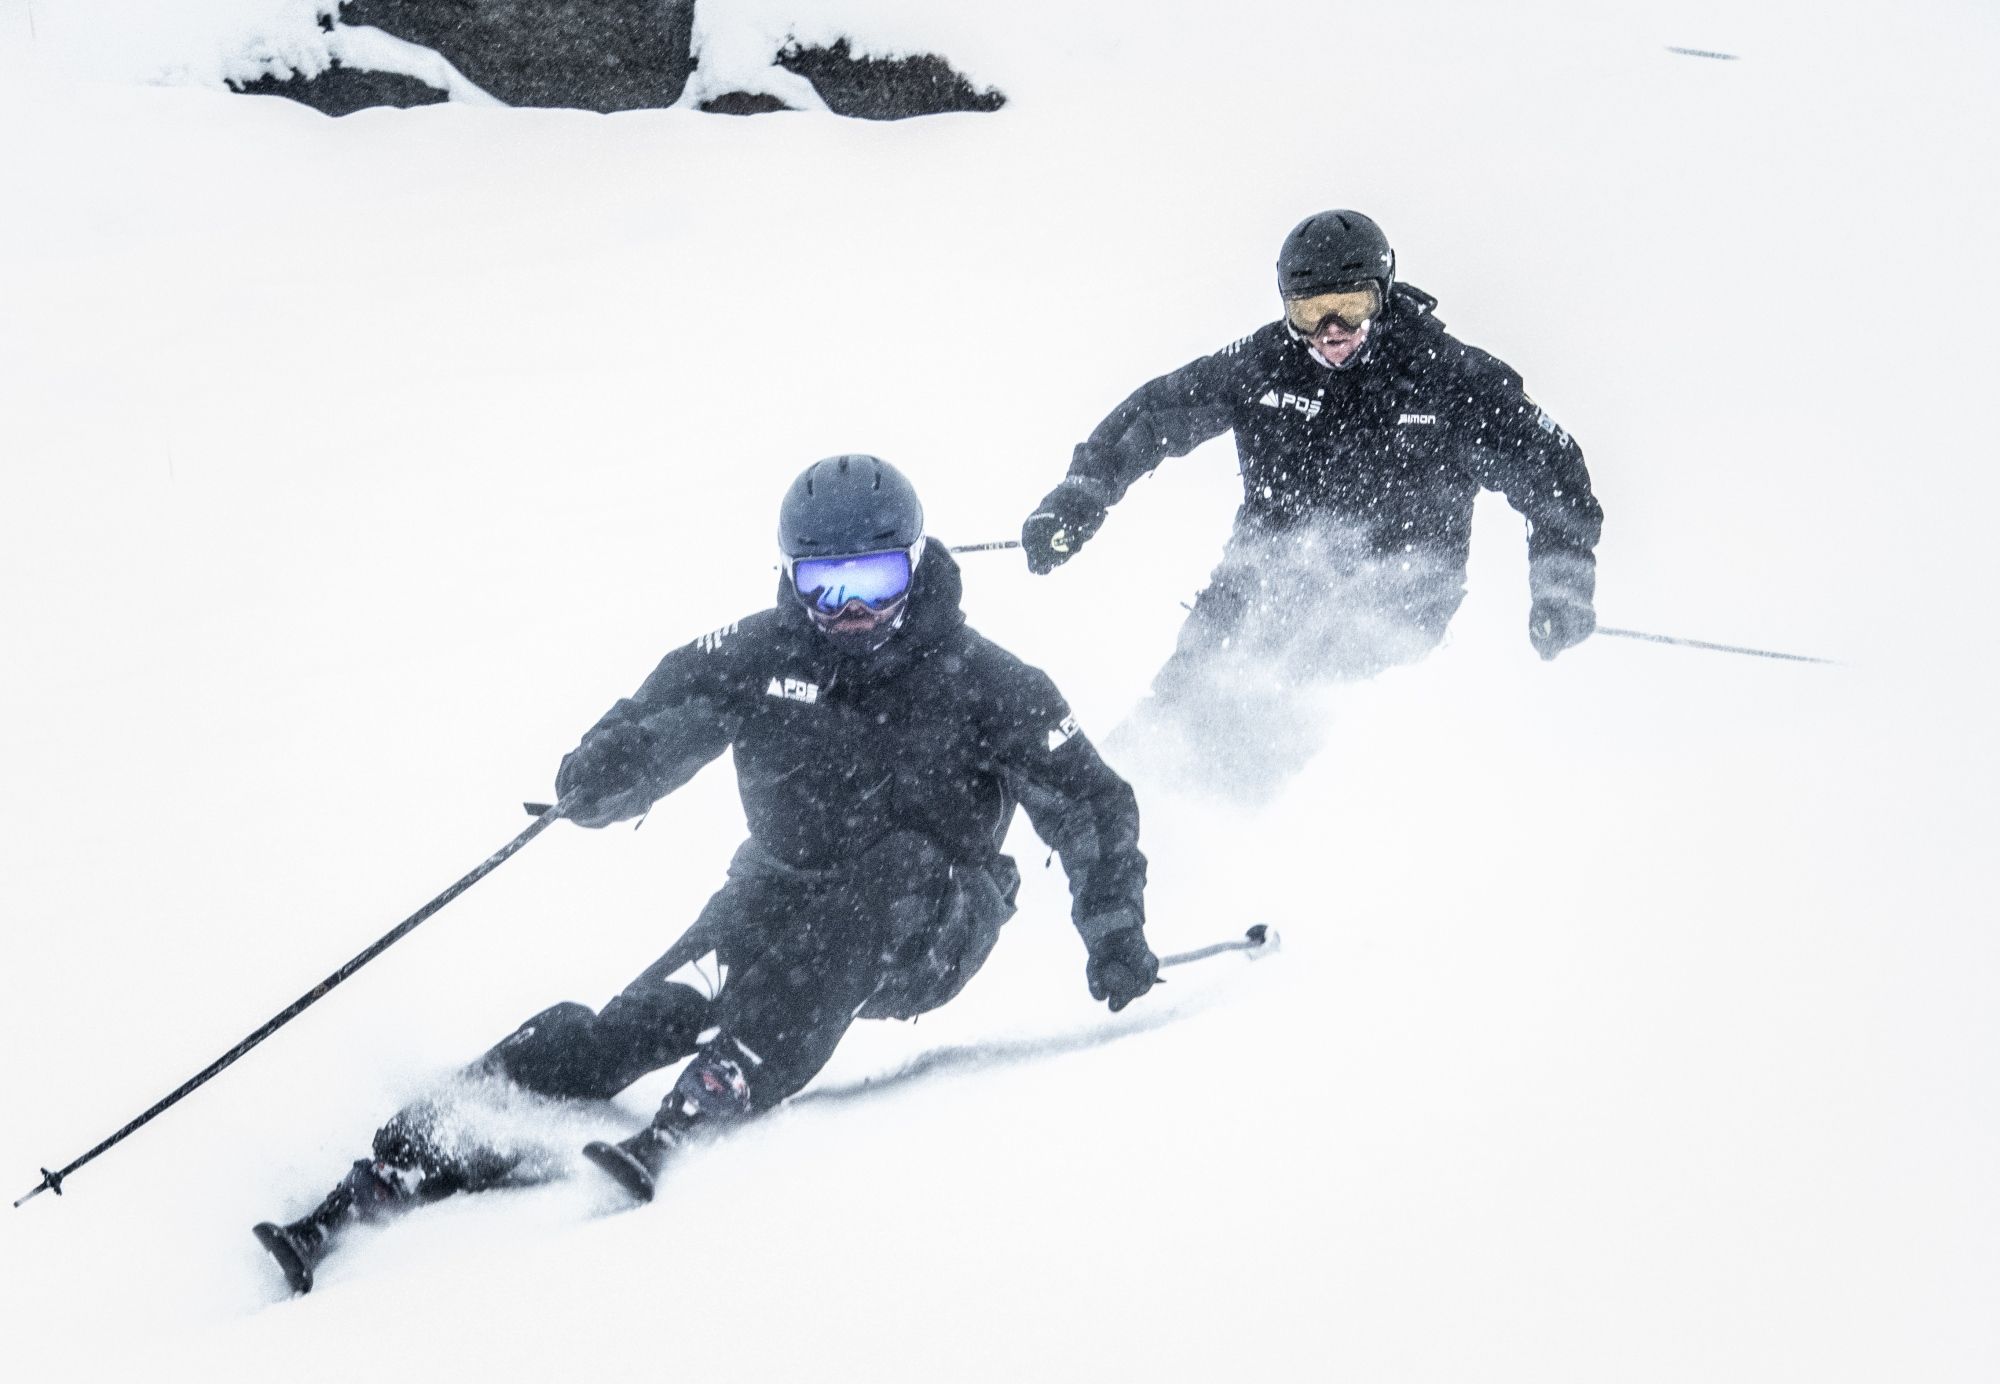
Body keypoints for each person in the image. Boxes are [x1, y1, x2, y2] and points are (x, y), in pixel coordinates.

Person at [252, 454, 1157, 1294]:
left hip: (930, 921)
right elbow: (655, 720)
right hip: (776, 893)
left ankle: (730, 1075)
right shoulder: (758, 656)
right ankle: (423, 1149)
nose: (851, 611)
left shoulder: (989, 684)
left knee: (890, 872)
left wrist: (1115, 930)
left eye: (875, 582)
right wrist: (603, 773)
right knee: (638, 1021)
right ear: (791, 578)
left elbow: (1092, 805)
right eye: (826, 585)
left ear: (915, 566)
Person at [1021, 210, 1604, 785]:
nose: (1331, 330)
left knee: (1262, 746)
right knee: (1162, 735)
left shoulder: (1449, 380)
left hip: (1390, 611)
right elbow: (1151, 416)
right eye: (1309, 311)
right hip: (1253, 588)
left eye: (1351, 306)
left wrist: (1562, 586)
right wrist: (1078, 498)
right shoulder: (1266, 365)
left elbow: (1553, 472)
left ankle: (1238, 818)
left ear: (1383, 294)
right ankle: (1119, 807)